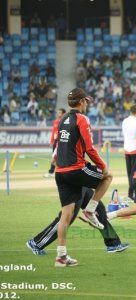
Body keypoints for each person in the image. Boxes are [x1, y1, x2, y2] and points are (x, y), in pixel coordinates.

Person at [54, 87, 113, 267]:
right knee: (107, 177)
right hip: (75, 169)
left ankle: (61, 257)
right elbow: (89, 148)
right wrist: (103, 166)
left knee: (66, 215)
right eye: (86, 101)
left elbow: (58, 147)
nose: (87, 104)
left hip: (60, 172)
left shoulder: (63, 119)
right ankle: (89, 210)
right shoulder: (82, 119)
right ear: (81, 102)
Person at [27, 188, 129, 255]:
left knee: (100, 210)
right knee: (67, 218)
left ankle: (113, 244)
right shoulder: (64, 154)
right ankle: (37, 243)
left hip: (83, 183)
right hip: (73, 184)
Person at [44, 108, 66, 178]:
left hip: (61, 141)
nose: (58, 114)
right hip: (56, 141)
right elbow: (53, 132)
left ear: (63, 114)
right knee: (55, 157)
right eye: (58, 112)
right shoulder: (56, 121)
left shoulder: (64, 122)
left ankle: (52, 172)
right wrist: (51, 141)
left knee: (56, 158)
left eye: (60, 112)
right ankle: (55, 172)